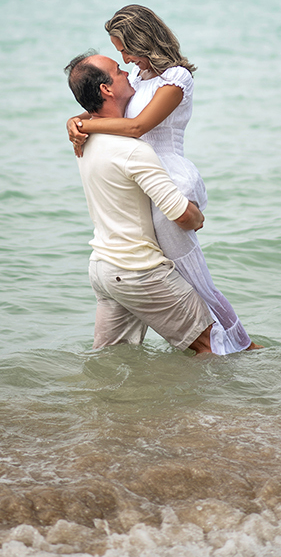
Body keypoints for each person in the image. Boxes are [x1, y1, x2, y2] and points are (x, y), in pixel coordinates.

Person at [67, 5, 258, 353]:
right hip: (145, 175)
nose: (123, 59)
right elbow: (106, 104)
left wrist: (87, 125)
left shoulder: (176, 78)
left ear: (143, 41)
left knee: (192, 276)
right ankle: (232, 349)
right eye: (118, 53)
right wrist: (75, 120)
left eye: (125, 49)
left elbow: (137, 126)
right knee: (182, 277)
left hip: (170, 176)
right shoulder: (137, 80)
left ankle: (241, 346)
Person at [65, 52, 215, 354]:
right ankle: (214, 403)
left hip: (103, 269)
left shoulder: (84, 140)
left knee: (109, 360)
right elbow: (183, 216)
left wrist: (74, 120)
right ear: (106, 89)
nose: (128, 72)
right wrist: (199, 218)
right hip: (138, 272)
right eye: (119, 70)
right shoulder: (134, 150)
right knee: (214, 345)